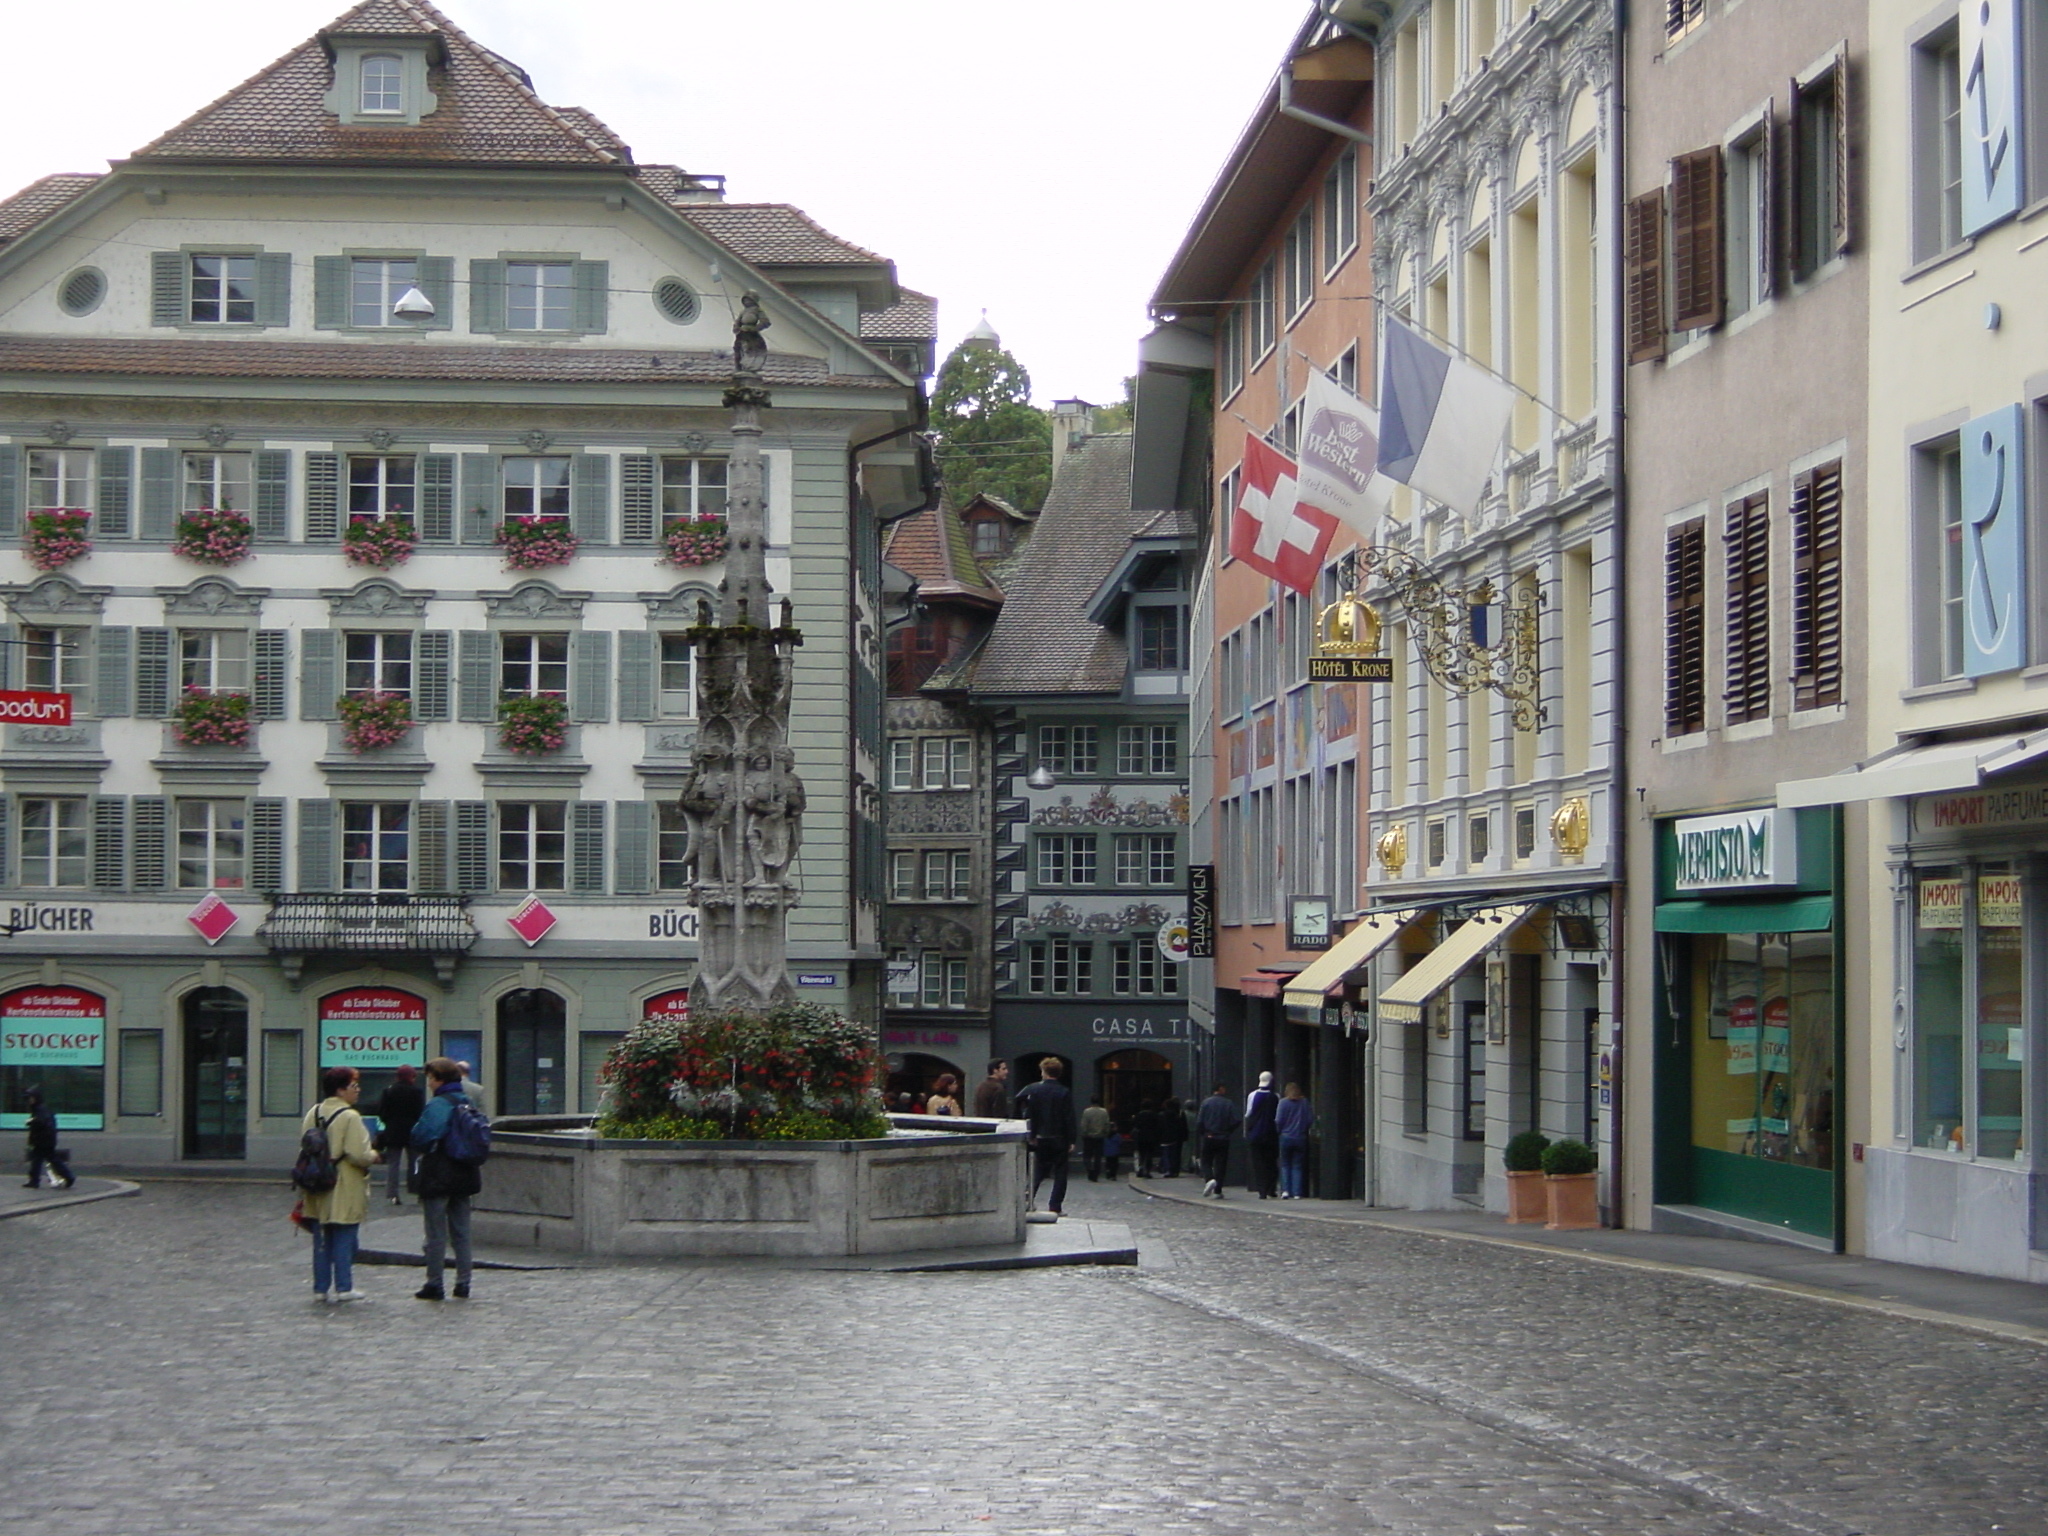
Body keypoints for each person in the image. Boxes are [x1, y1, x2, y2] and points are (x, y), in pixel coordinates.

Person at [301, 1066, 376, 1303]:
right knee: (344, 1236)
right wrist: (373, 1155)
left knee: (321, 1239)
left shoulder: (313, 1112)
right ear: (341, 1090)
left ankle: (320, 1288)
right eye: (354, 1085)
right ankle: (344, 1287)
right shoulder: (350, 1116)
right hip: (343, 1182)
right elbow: (358, 1153)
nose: (358, 1090)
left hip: (316, 1181)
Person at [411, 1057, 481, 1301]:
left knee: (436, 1232)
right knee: (462, 1232)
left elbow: (423, 1135)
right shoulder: (467, 1100)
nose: (428, 1083)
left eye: (430, 1078)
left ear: (437, 1079)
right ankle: (463, 1283)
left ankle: (435, 1283)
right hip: (465, 1172)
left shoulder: (438, 1104)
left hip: (439, 1172)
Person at [1013, 1057, 1075, 1218]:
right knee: (1061, 1173)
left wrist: (1032, 1134)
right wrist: (1072, 1140)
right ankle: (1055, 1206)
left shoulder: (1035, 1090)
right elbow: (1069, 1117)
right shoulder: (1064, 1092)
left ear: (1044, 1072)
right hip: (1060, 1137)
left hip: (1041, 1137)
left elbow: (1030, 1113)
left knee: (1039, 1170)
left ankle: (1028, 1200)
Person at [374, 1064, 425, 1205]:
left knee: (393, 1164)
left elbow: (381, 1112)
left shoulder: (389, 1091)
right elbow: (420, 1113)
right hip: (412, 1131)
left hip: (393, 1131)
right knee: (414, 1163)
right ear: (412, 1077)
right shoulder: (417, 1092)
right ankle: (418, 1193)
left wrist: (390, 1122)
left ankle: (393, 1195)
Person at [21, 1087, 74, 1190]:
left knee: (43, 1160)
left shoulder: (40, 1109)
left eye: (31, 1098)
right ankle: (35, 1181)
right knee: (46, 1160)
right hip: (44, 1140)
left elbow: (42, 1123)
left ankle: (35, 1181)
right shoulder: (40, 1108)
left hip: (43, 1141)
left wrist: (31, 1122)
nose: (29, 1100)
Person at [1196, 1084, 1239, 1198]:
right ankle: (1218, 1190)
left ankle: (1209, 1178)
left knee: (1206, 1161)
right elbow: (1236, 1120)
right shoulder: (1228, 1103)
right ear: (1220, 1089)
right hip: (1223, 1137)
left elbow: (1200, 1121)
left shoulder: (1206, 1103)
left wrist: (1204, 1133)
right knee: (1221, 1164)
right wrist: (1228, 1131)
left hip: (1209, 1136)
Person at [1244, 1071, 1281, 1199]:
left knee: (1258, 1162)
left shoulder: (1252, 1095)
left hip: (1256, 1134)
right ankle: (1271, 1188)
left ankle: (1262, 1189)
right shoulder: (1275, 1096)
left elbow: (1249, 1113)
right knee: (1271, 1162)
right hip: (1271, 1134)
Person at [1276, 1082, 1315, 1199]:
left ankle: (1285, 1190)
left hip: (1286, 1136)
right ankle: (1297, 1192)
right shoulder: (1304, 1103)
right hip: (1300, 1137)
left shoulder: (1283, 1103)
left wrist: (1280, 1131)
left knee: (1285, 1164)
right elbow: (1310, 1119)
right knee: (1297, 1165)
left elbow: (1278, 1120)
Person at [1078, 1095, 1114, 1181]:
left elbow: (1084, 1125)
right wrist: (1106, 1133)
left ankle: (1089, 1169)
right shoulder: (1104, 1111)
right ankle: (1096, 1173)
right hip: (1100, 1137)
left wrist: (1084, 1133)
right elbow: (1107, 1124)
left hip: (1089, 1137)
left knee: (1087, 1156)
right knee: (1098, 1157)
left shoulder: (1087, 1112)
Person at [1158, 1096, 1188, 1178]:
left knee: (1166, 1154)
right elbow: (1183, 1126)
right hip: (1177, 1137)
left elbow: (1160, 1126)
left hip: (1165, 1137)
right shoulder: (1179, 1114)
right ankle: (1175, 1170)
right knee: (1176, 1154)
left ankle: (1168, 1169)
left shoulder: (1162, 1115)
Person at [1132, 1099, 1162, 1179]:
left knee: (1141, 1154)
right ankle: (1147, 1171)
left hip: (1141, 1137)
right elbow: (1158, 1126)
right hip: (1151, 1137)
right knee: (1149, 1154)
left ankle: (1141, 1168)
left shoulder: (1138, 1115)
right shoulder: (1154, 1115)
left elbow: (1135, 1126)